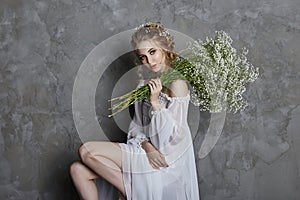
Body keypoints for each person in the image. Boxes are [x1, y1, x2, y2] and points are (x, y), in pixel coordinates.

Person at [70, 22, 200, 200]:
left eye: (152, 52)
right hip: (144, 151)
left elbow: (171, 139)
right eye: (143, 57)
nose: (149, 61)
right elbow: (136, 127)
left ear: (164, 48)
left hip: (164, 162)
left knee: (86, 151)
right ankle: (131, 190)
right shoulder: (144, 84)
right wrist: (146, 146)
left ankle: (128, 190)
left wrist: (155, 102)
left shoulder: (177, 84)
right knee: (77, 170)